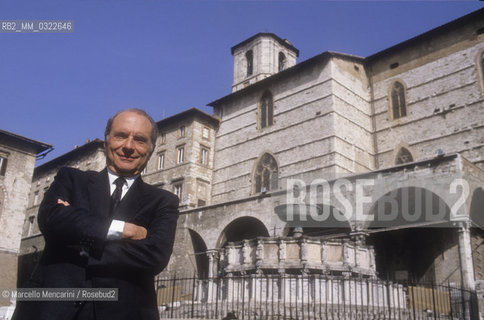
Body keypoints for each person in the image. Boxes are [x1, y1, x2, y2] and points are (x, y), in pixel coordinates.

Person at [12, 109, 179, 320]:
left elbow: (155, 256)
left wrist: (80, 240)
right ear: (106, 142)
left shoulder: (164, 201)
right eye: (121, 136)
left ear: (151, 150)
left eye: (139, 140)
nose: (128, 146)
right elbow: (51, 219)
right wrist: (122, 230)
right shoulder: (71, 179)